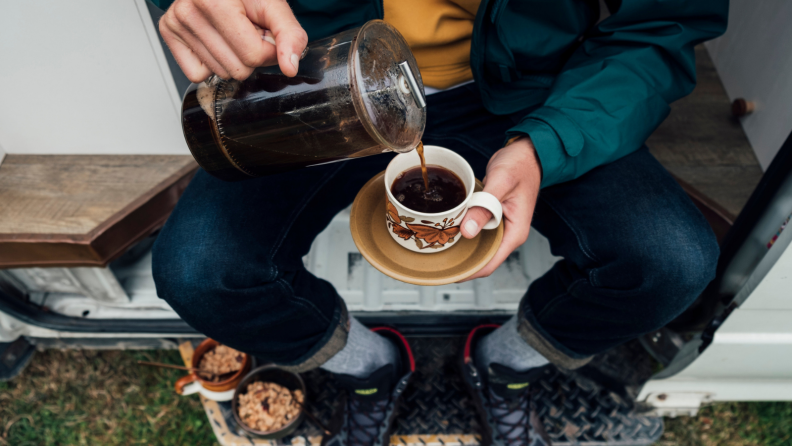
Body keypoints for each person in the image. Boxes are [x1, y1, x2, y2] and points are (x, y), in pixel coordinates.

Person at [151, 0, 728, 444]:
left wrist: (546, 146)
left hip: (527, 89)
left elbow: (664, 21)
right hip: (323, 80)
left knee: (671, 260)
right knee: (200, 270)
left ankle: (506, 363)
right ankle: (372, 369)